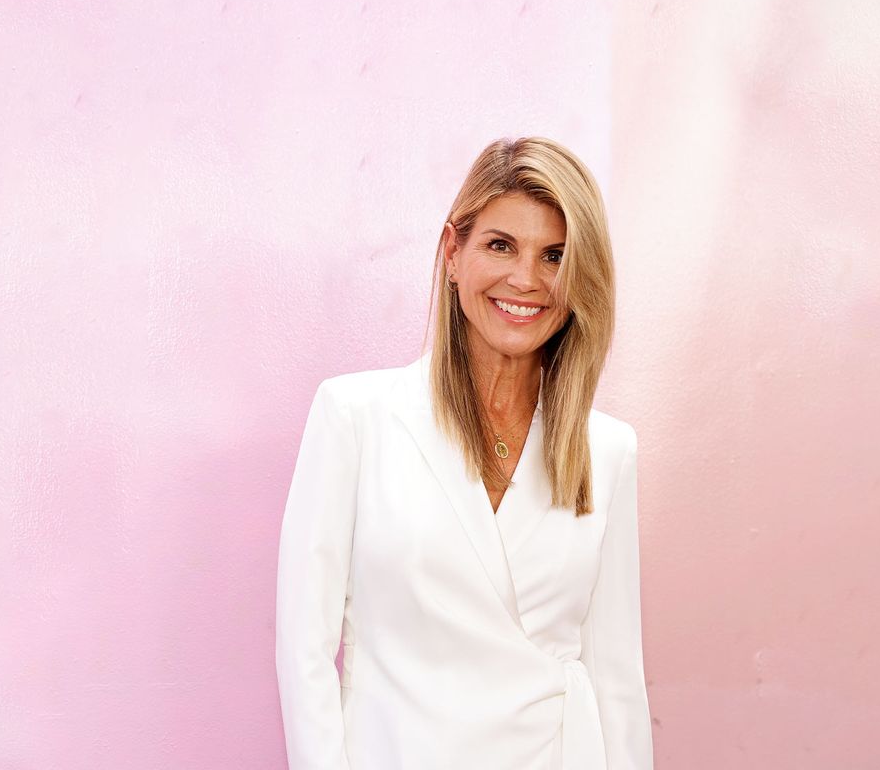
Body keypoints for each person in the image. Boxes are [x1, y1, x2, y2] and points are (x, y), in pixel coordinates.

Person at [275, 136, 653, 769]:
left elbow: (617, 676)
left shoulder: (607, 451)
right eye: (500, 245)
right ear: (453, 252)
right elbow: (304, 653)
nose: (526, 279)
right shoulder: (357, 418)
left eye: (555, 256)